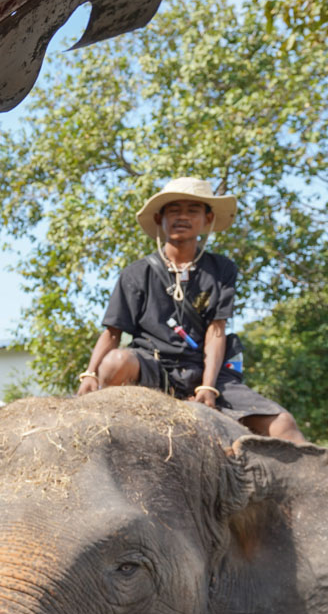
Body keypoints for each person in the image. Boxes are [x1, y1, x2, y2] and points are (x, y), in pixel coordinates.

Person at [75, 177, 307, 443]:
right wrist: (91, 374)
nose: (182, 217)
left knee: (282, 424)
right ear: (160, 218)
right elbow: (113, 333)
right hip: (152, 366)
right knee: (116, 362)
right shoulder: (137, 273)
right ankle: (109, 434)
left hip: (204, 369)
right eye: (174, 210)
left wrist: (207, 386)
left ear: (207, 219)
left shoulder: (221, 270)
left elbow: (216, 331)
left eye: (192, 210)